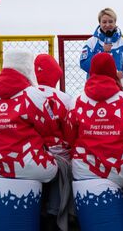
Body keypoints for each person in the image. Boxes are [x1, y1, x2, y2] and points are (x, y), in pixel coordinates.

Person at [65, 52, 123, 188]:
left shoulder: (76, 101)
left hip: (84, 170)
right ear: (113, 71)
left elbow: (70, 137)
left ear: (91, 71)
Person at [0, 50, 58, 182]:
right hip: (30, 163)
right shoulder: (33, 95)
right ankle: (52, 203)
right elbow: (50, 128)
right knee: (58, 167)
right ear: (29, 67)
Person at [34, 53, 74, 230]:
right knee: (63, 165)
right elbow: (70, 132)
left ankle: (38, 212)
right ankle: (55, 213)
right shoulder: (64, 98)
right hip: (58, 154)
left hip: (33, 153)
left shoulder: (27, 95)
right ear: (56, 74)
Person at [79, 8, 123, 90]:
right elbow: (84, 63)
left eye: (110, 21)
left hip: (117, 86)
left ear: (115, 22)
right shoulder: (91, 42)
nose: (107, 25)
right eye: (104, 22)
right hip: (95, 86)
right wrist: (102, 52)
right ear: (99, 23)